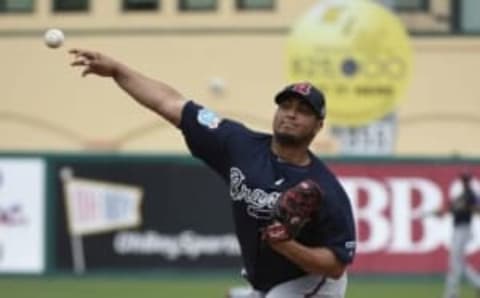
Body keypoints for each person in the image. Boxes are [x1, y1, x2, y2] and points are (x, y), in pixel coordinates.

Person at [69, 48, 356, 298]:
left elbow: (335, 265)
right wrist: (118, 70)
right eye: (285, 105)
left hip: (311, 283)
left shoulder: (325, 188)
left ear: (318, 126)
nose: (290, 114)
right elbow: (170, 103)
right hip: (267, 280)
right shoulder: (239, 144)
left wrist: (288, 246)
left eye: (303, 111)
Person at [438, 170, 480, 298]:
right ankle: (471, 286)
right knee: (457, 262)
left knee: (455, 262)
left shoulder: (472, 195)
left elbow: (477, 210)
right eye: (463, 180)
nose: (464, 182)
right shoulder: (460, 196)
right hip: (458, 229)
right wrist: (441, 212)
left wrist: (468, 208)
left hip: (464, 229)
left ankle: (452, 293)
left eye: (466, 180)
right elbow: (448, 209)